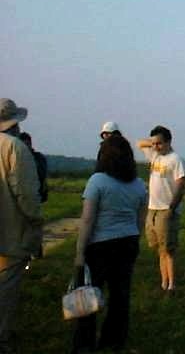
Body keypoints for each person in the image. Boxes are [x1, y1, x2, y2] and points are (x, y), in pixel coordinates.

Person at [72, 136, 147, 353]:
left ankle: (85, 344)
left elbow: (87, 219)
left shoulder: (97, 181)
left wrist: (79, 252)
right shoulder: (138, 184)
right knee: (120, 295)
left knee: (89, 294)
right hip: (128, 242)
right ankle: (114, 340)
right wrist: (135, 239)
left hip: (100, 245)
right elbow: (140, 218)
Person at [0, 99, 43, 354]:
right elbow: (26, 195)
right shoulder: (15, 148)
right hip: (11, 233)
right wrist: (37, 223)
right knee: (5, 290)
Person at [137, 126, 185, 292]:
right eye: (154, 143)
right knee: (159, 249)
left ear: (168, 142)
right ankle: (163, 282)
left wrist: (172, 207)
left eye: (159, 143)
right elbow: (139, 144)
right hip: (152, 209)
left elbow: (181, 184)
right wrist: (152, 144)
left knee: (168, 250)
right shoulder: (154, 155)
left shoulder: (176, 159)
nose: (156, 146)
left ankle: (172, 284)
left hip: (166, 209)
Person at [19, 132, 48, 204]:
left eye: (26, 144)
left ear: (30, 144)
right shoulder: (39, 157)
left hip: (35, 194)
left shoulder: (38, 158)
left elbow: (42, 176)